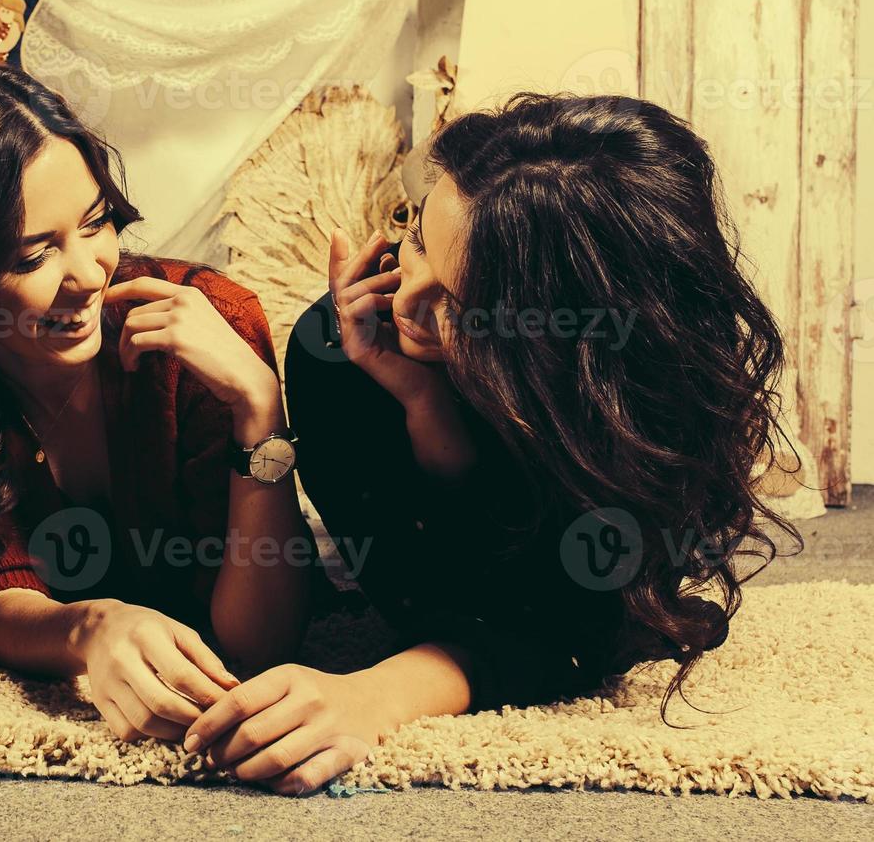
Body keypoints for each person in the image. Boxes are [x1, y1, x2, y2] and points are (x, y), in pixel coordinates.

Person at [185, 93, 802, 794]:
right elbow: (423, 600)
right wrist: (425, 410)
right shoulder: (342, 350)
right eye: (417, 234)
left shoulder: (629, 408)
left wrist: (385, 695)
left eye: (459, 300)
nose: (404, 297)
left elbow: (583, 633)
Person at [0, 57, 316, 744]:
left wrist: (262, 411)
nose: (88, 274)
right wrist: (91, 627)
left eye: (95, 223)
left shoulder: (213, 324)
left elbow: (259, 641)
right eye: (32, 257)